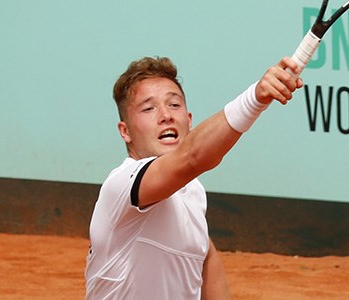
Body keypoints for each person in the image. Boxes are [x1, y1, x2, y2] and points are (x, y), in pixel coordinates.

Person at [85, 56, 303, 299]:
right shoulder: (122, 184)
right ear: (125, 131)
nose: (165, 115)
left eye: (174, 105)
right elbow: (192, 158)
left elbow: (205, 252)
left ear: (189, 121)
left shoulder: (193, 191)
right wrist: (255, 99)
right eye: (148, 108)